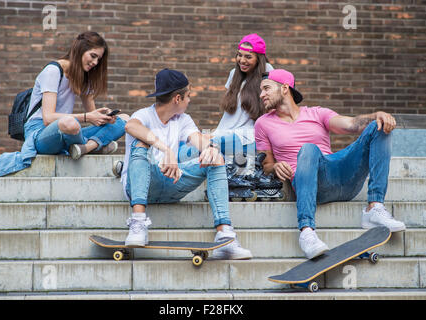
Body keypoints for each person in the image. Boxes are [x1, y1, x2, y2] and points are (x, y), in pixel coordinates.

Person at [255, 68, 406, 259]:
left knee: (378, 126)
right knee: (308, 148)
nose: (262, 95)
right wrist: (275, 167)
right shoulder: (262, 124)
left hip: (341, 175)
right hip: (312, 185)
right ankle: (307, 232)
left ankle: (374, 208)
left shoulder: (317, 113)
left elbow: (351, 124)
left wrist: (377, 115)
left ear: (284, 88)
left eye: (266, 89)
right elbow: (265, 164)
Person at [120, 68, 252, 260]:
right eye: (188, 96)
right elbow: (130, 126)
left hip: (173, 183)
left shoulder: (183, 120)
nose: (189, 101)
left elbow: (197, 138)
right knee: (140, 145)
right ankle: (138, 223)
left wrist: (210, 147)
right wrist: (165, 150)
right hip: (142, 186)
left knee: (216, 158)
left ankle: (226, 235)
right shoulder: (143, 115)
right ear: (177, 98)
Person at [0, 31, 128, 177]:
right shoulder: (53, 71)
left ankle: (87, 147)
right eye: (93, 56)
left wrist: (103, 118)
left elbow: (93, 118)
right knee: (70, 123)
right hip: (41, 133)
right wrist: (88, 117)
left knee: (125, 119)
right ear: (79, 49)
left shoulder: (84, 77)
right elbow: (48, 118)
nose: (95, 63)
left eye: (98, 59)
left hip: (69, 132)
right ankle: (96, 145)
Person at [179, 34, 273, 168]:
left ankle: (170, 162)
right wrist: (214, 133)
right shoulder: (234, 74)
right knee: (189, 143)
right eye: (239, 55)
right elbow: (230, 115)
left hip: (249, 137)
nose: (242, 60)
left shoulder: (267, 72)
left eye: (248, 56)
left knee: (196, 148)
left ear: (259, 59)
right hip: (226, 134)